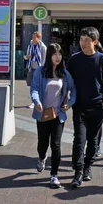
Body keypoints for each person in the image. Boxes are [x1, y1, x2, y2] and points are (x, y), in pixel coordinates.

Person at [67, 27, 103, 188]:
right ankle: (78, 172)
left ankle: (88, 167)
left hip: (97, 105)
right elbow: (67, 81)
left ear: (95, 42)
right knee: (79, 140)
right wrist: (67, 98)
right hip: (79, 105)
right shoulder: (74, 60)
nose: (83, 43)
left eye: (87, 40)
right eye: (81, 39)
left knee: (93, 141)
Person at [30, 43, 76, 189]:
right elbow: (34, 88)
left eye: (60, 54)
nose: (58, 57)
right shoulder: (40, 71)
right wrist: (37, 102)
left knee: (55, 144)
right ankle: (42, 157)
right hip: (43, 114)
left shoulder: (65, 73)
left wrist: (69, 104)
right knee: (42, 143)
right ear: (49, 56)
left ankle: (54, 175)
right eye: (55, 54)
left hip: (58, 115)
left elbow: (73, 89)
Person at [25, 31, 47, 109]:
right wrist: (26, 57)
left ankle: (39, 101)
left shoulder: (42, 47)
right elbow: (26, 56)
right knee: (31, 86)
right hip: (31, 68)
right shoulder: (30, 45)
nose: (33, 39)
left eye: (35, 37)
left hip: (39, 69)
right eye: (32, 37)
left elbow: (44, 59)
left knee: (39, 86)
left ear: (39, 38)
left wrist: (43, 69)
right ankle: (33, 102)